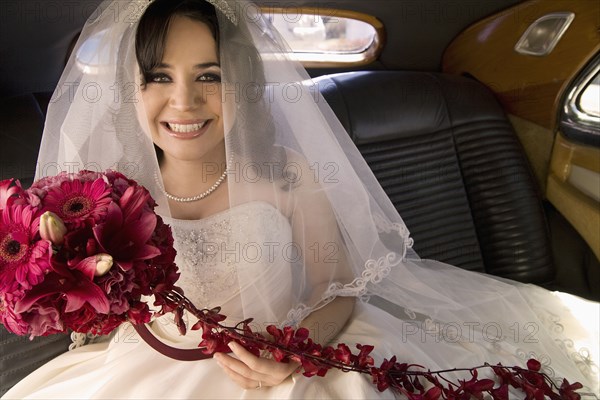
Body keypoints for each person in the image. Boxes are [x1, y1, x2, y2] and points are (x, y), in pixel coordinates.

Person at [2, 0, 598, 398]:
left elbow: (338, 289)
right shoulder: (98, 197)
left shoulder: (285, 174)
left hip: (289, 358)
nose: (183, 102)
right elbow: (86, 312)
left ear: (243, 83)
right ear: (131, 91)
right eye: (159, 77)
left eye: (209, 76)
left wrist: (299, 353)